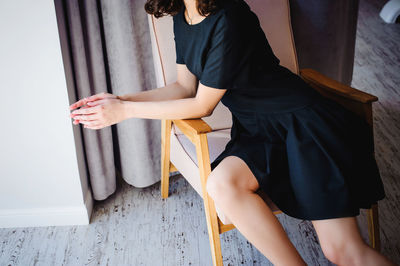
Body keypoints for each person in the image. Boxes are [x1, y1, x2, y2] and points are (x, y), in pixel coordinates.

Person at [69, 0, 396, 265]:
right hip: (257, 129)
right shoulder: (183, 16)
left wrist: (125, 111)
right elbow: (183, 87)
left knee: (342, 253)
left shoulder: (231, 16)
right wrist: (120, 99)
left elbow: (202, 105)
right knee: (222, 185)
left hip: (302, 124)